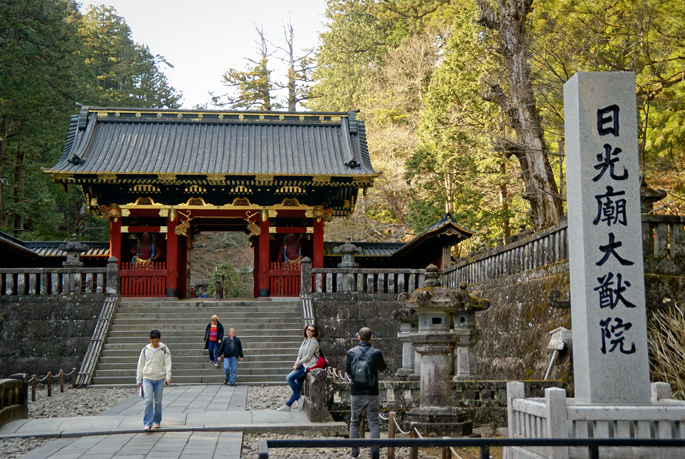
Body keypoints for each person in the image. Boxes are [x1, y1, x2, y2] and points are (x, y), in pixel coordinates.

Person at [346, 327, 388, 459]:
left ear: (358, 337)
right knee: (374, 422)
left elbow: (348, 371)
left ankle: (354, 452)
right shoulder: (376, 353)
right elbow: (382, 367)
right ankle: (374, 453)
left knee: (354, 422)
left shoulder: (351, 352)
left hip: (356, 392)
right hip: (371, 392)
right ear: (371, 338)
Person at [277, 323, 320, 411]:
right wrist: (296, 362)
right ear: (306, 329)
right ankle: (288, 405)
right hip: (302, 364)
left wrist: (298, 363)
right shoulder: (305, 341)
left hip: (308, 365)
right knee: (298, 385)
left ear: (314, 333)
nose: (309, 332)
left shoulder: (313, 342)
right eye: (308, 329)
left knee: (289, 378)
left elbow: (308, 356)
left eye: (312, 331)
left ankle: (299, 398)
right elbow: (299, 354)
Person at [136, 330, 172, 431]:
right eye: (152, 341)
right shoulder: (145, 350)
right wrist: (139, 379)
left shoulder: (164, 349)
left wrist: (168, 377)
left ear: (159, 340)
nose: (154, 343)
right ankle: (147, 423)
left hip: (160, 378)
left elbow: (168, 363)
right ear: (150, 340)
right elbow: (140, 364)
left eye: (156, 341)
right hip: (147, 378)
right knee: (148, 400)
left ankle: (157, 420)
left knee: (158, 401)